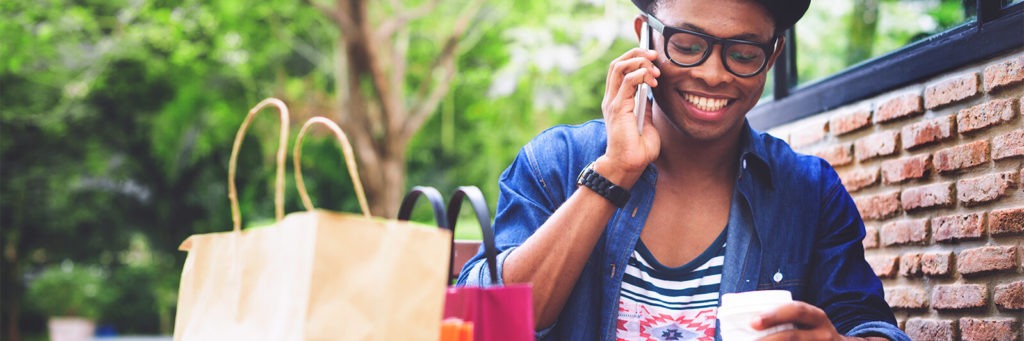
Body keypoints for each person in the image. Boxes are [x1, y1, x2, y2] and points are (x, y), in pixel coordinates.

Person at [457, 0, 910, 340]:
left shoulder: (808, 192)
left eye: (745, 53)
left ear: (772, 57)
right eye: (688, 45)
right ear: (645, 37)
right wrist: (613, 173)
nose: (714, 74)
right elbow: (485, 322)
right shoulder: (555, 162)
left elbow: (871, 326)